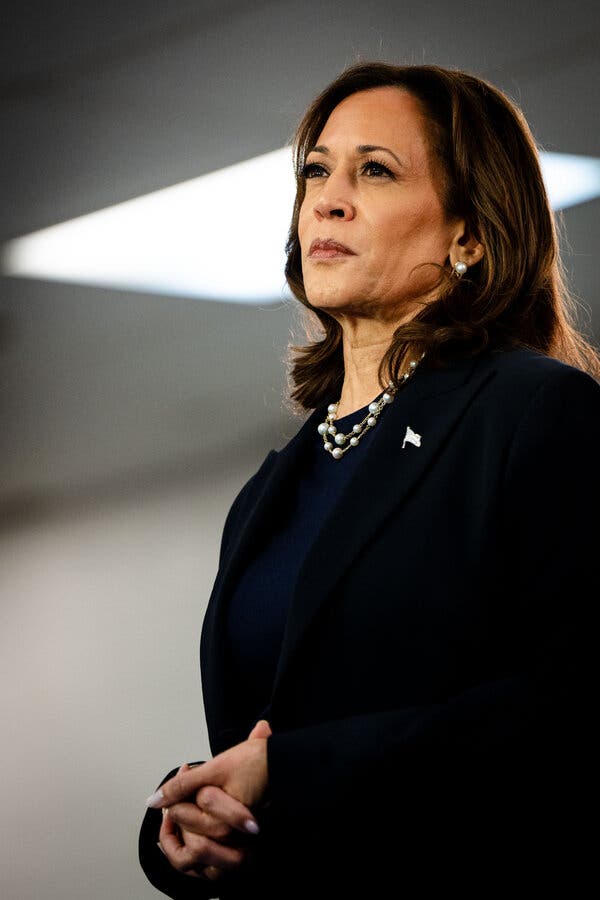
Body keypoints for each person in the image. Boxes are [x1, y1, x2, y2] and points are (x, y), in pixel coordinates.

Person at [139, 61, 600, 898]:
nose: (327, 197)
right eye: (316, 171)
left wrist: (292, 772)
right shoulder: (268, 493)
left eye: (374, 171)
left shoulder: (535, 412)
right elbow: (268, 732)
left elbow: (574, 708)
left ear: (469, 234)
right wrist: (192, 820)